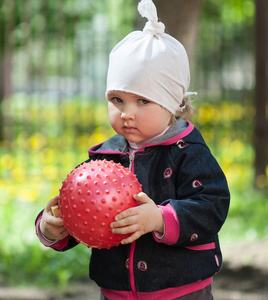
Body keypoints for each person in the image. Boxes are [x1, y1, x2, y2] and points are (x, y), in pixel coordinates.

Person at [35, 0, 230, 299]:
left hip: (180, 289)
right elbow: (80, 211)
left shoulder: (188, 151)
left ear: (172, 103)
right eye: (117, 100)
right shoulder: (103, 158)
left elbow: (211, 205)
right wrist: (51, 228)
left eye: (142, 101)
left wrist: (160, 219)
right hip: (117, 290)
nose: (127, 113)